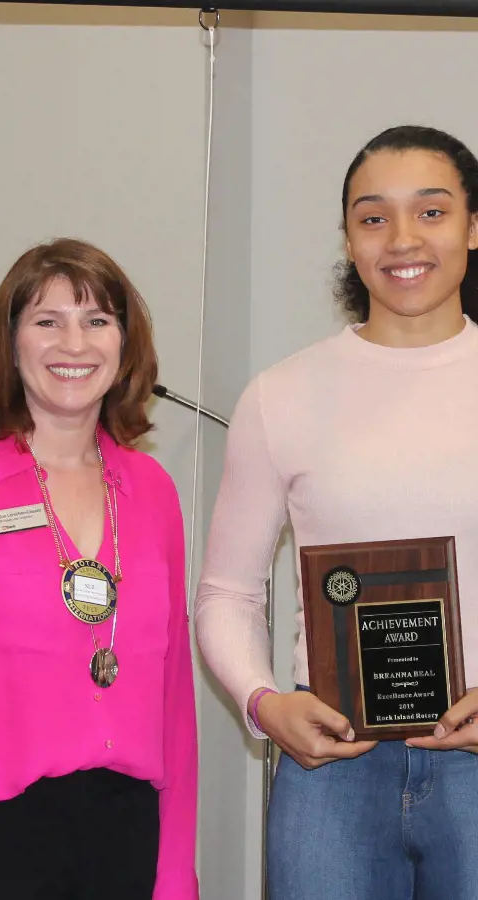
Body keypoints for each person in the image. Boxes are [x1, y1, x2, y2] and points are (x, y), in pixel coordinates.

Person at [195, 124, 478, 900]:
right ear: (349, 240)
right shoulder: (281, 396)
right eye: (373, 216)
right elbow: (228, 594)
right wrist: (264, 704)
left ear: (473, 227)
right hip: (333, 765)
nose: (401, 239)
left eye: (431, 211)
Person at [0, 238, 199, 900]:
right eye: (47, 321)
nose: (74, 343)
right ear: (10, 343)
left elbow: (174, 702)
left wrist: (174, 877)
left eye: (97, 321)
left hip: (128, 840)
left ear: (125, 346)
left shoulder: (153, 491)